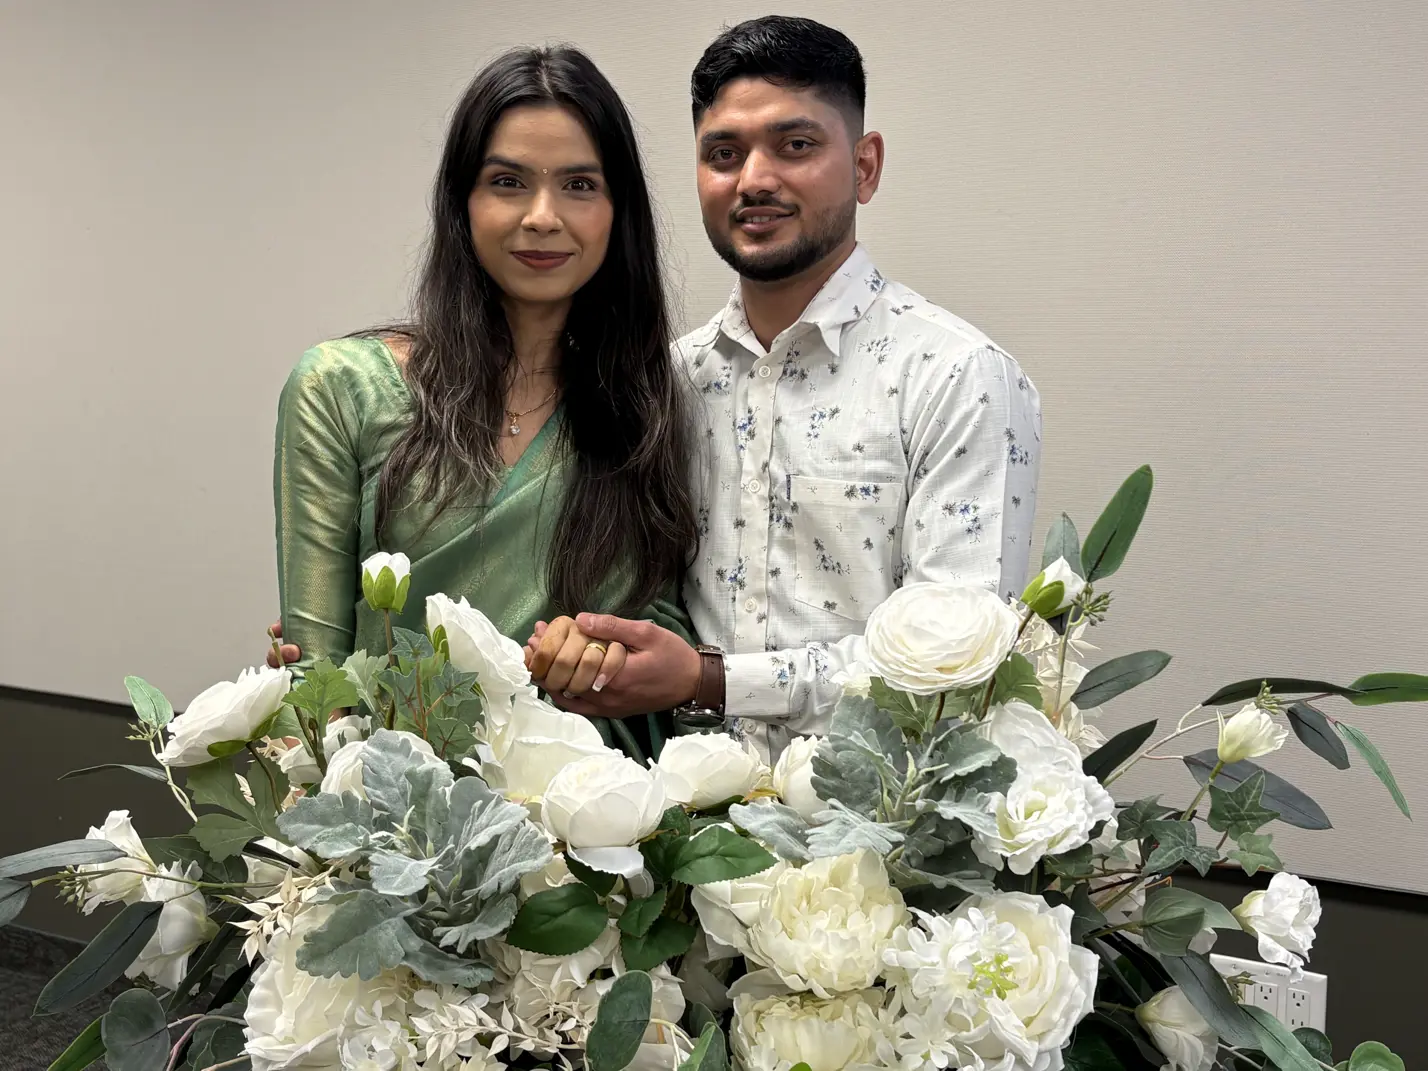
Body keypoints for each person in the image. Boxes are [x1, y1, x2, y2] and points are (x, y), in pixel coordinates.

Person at [527, 16, 1042, 761]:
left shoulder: (956, 375)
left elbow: (957, 670)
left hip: (888, 840)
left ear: (865, 166)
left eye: (796, 145)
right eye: (723, 154)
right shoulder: (671, 381)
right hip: (683, 834)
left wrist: (710, 680)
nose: (755, 179)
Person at [271, 46, 700, 749]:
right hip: (388, 820)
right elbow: (313, 685)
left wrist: (594, 652)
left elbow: (666, 627)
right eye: (507, 181)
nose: (541, 216)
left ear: (616, 212)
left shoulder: (646, 409)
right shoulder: (341, 388)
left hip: (582, 823)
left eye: (579, 186)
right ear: (461, 201)